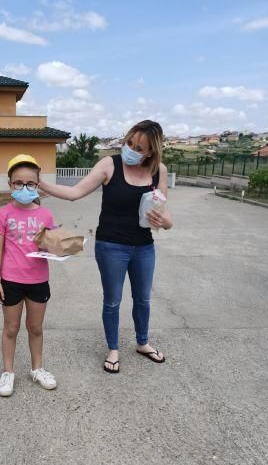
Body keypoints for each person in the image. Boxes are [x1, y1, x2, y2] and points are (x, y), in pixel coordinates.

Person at [38, 120, 173, 373]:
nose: (131, 149)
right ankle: (113, 348)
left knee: (143, 299)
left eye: (139, 147)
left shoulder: (159, 171)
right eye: (129, 142)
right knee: (112, 301)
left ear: (152, 151)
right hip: (111, 246)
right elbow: (74, 193)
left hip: (144, 246)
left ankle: (142, 342)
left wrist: (167, 222)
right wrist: (41, 184)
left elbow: (162, 212)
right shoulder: (109, 164)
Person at [0, 154, 57, 396]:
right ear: (10, 185)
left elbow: (50, 245)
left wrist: (60, 246)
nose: (24, 188)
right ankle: (8, 372)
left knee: (36, 328)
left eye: (30, 183)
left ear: (38, 186)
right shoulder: (3, 214)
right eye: (18, 183)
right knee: (11, 328)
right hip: (11, 281)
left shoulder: (45, 215)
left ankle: (37, 368)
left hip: (38, 281)